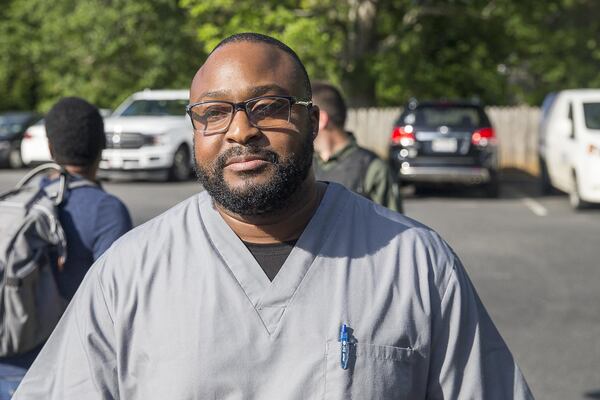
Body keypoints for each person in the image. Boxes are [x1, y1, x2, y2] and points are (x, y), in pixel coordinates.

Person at [14, 34, 533, 399]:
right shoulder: (127, 274)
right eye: (214, 113)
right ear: (194, 130)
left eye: (268, 105)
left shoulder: (416, 263)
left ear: (311, 121)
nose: (241, 130)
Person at [0, 97, 132, 370]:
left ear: (50, 147)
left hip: (8, 350)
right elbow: (119, 306)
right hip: (55, 368)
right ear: (102, 145)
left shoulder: (25, 195)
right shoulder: (106, 210)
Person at [312, 81, 403, 213]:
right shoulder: (304, 165)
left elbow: (398, 228)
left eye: (305, 115)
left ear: (321, 120)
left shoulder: (373, 168)